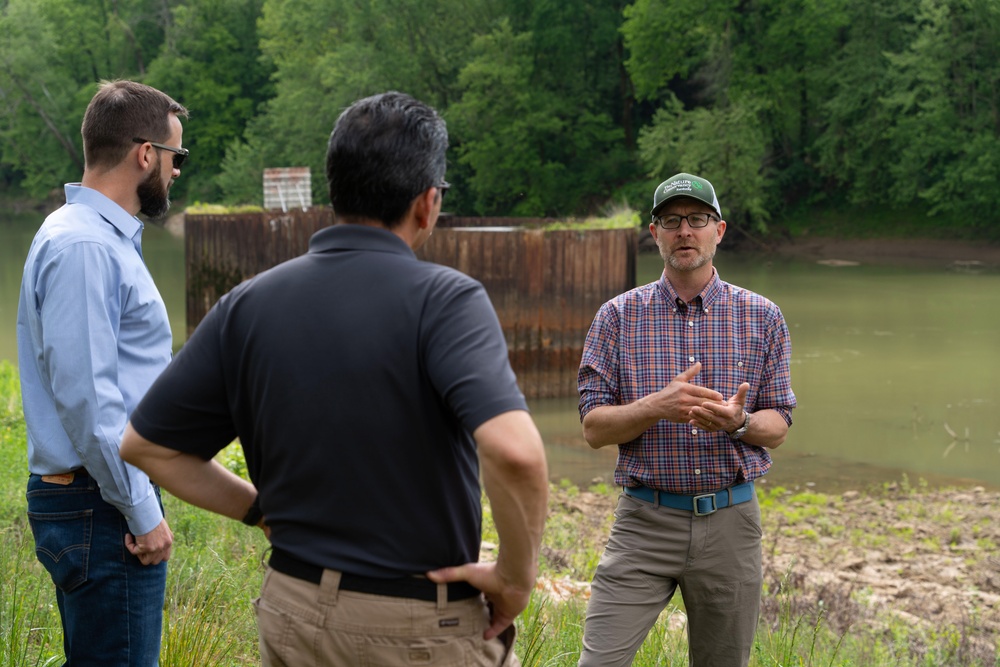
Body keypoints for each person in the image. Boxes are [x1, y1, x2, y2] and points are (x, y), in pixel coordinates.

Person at [118, 91, 549, 667]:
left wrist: (257, 510)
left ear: (335, 190)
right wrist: (515, 579)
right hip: (417, 624)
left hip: (292, 610)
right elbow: (516, 455)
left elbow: (147, 445)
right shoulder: (446, 300)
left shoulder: (248, 305)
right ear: (428, 204)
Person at [576, 172, 797, 666]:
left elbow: (778, 425)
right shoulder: (616, 316)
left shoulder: (763, 316)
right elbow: (593, 429)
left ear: (719, 230)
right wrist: (658, 405)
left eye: (697, 219)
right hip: (643, 523)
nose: (684, 232)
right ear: (654, 233)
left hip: (730, 524)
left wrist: (737, 424)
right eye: (671, 221)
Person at [17, 80, 189, 665]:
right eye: (176, 158)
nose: (177, 173)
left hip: (99, 496)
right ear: (146, 154)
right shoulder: (85, 247)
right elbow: (89, 400)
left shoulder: (89, 238)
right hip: (103, 504)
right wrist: (142, 512)